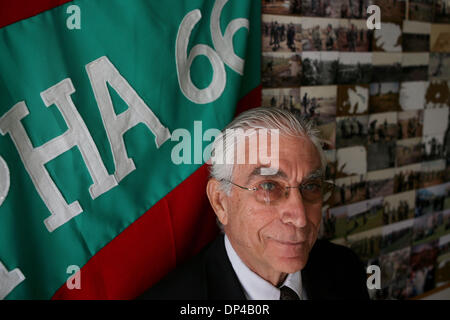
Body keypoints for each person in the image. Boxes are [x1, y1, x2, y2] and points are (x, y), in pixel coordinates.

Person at [138, 107, 369, 300]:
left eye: (310, 187)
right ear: (220, 202)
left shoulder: (346, 268)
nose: (299, 217)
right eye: (269, 187)